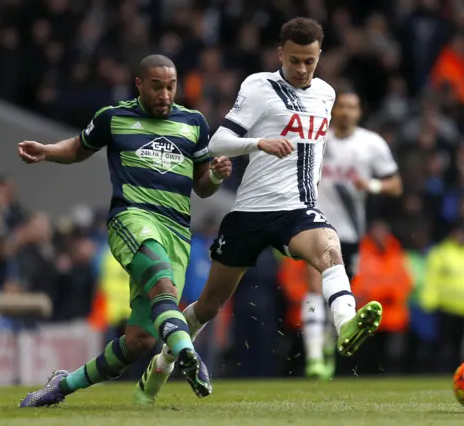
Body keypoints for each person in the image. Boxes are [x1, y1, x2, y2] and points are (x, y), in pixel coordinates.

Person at [137, 17, 384, 404]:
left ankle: (345, 322)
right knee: (208, 307)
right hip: (251, 212)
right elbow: (219, 142)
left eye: (310, 62)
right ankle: (161, 365)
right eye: (295, 60)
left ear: (320, 58)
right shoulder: (258, 86)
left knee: (329, 248)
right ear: (280, 53)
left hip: (298, 210)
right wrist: (259, 144)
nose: (302, 70)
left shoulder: (326, 94)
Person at [17, 55, 233, 407]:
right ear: (139, 85)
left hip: (177, 232)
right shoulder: (114, 117)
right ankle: (187, 353)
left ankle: (63, 384)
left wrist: (217, 176)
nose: (165, 94)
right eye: (157, 86)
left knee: (140, 342)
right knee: (163, 284)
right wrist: (46, 151)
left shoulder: (194, 123)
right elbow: (76, 148)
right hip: (132, 219)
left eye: (171, 86)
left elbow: (202, 186)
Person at [303, 90, 402, 380]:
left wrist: (370, 186)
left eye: (352, 107)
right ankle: (313, 358)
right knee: (313, 289)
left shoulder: (371, 144)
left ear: (359, 112)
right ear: (334, 111)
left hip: (350, 233)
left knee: (340, 295)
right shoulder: (317, 140)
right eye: (341, 106)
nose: (346, 111)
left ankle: (326, 346)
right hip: (316, 226)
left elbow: (395, 185)